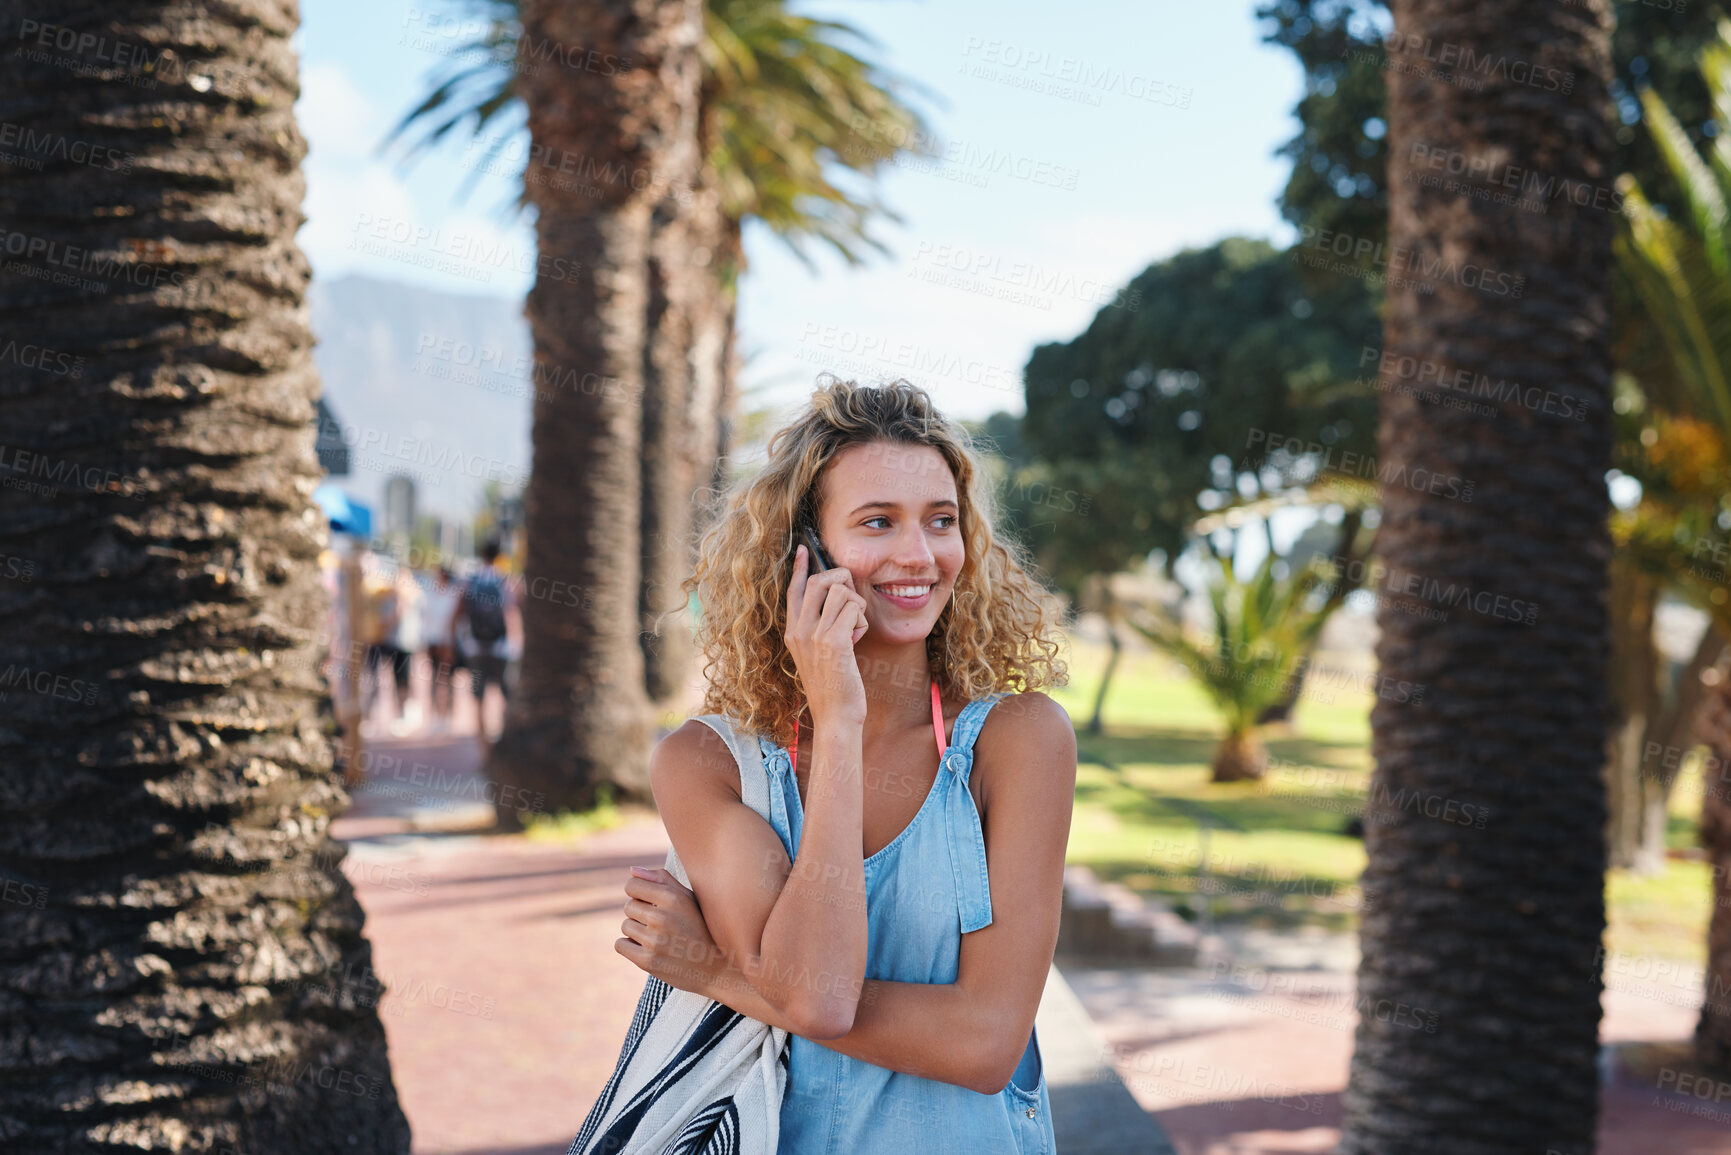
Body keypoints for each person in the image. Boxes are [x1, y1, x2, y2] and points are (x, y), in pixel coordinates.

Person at [615, 380, 1076, 1153]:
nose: (917, 555)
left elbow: (985, 1044)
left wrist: (719, 973)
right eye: (876, 522)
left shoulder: (1018, 739)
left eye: (940, 521)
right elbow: (812, 994)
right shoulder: (707, 762)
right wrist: (838, 721)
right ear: (806, 551)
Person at [455, 538, 518, 757]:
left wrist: (452, 638)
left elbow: (459, 610)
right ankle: (504, 744)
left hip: (475, 647)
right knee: (506, 696)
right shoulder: (504, 580)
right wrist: (516, 643)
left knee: (478, 699)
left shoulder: (471, 580)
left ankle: (484, 749)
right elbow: (511, 613)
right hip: (501, 647)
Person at [420, 565, 462, 732]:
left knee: (448, 680)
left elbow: (453, 621)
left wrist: (449, 644)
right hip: (433, 642)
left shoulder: (453, 595)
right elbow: (426, 619)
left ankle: (448, 716)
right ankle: (435, 716)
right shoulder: (431, 594)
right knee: (433, 680)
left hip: (447, 643)